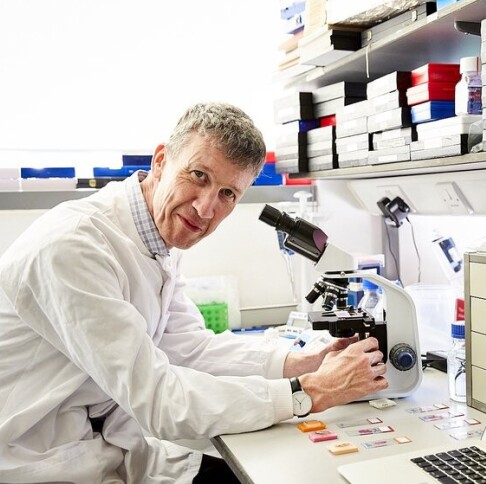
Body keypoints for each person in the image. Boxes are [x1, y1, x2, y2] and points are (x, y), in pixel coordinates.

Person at [0, 102, 389, 483]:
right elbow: (160, 400)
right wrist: (311, 391)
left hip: (101, 444)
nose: (205, 208)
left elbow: (190, 350)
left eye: (227, 194)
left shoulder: (155, 239)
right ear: (160, 160)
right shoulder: (75, 247)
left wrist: (305, 362)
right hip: (32, 460)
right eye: (199, 175)